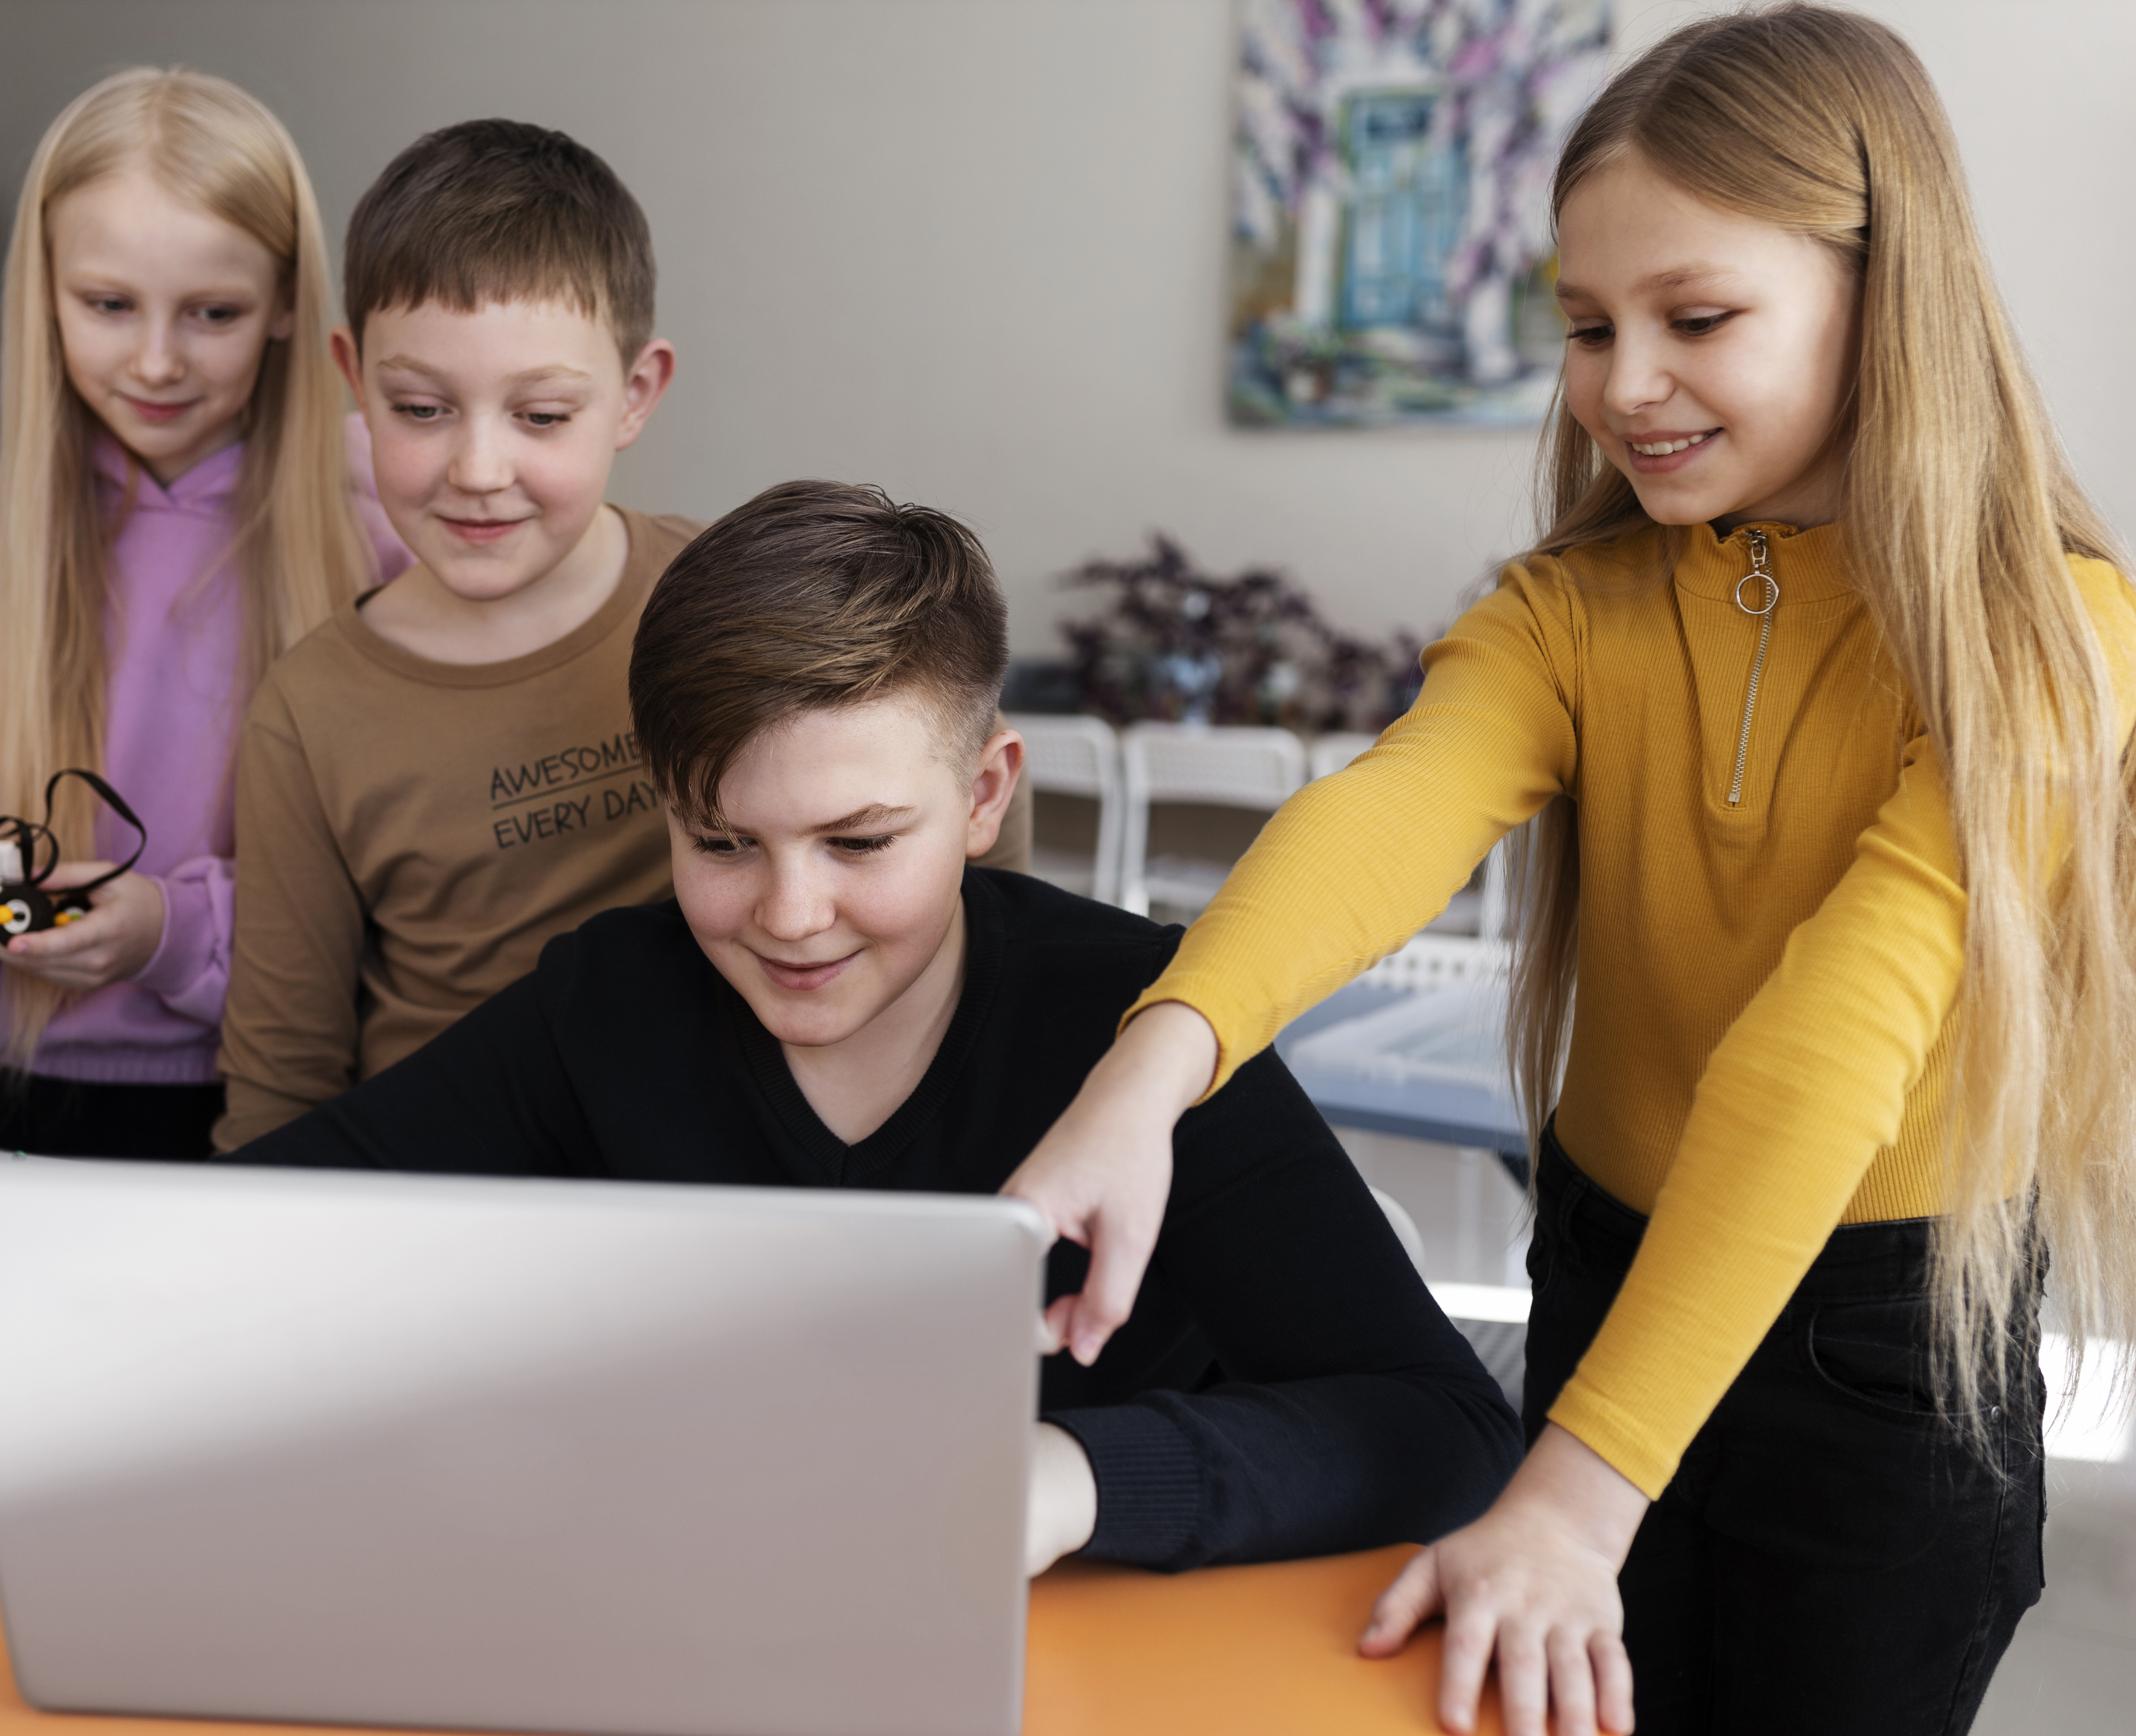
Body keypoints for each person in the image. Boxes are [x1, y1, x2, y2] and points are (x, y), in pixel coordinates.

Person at [1007, 8, 2136, 1734]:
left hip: (1885, 1343)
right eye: (1589, 326)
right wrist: (1149, 1072)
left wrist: (1579, 1486)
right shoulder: (1570, 609)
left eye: (1697, 318)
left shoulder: (2048, 637)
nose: (1622, 381)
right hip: (1605, 1256)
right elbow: (1384, 815)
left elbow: (1837, 1035)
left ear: (1882, 291)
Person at [231, 479, 1519, 1570]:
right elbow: (253, 1237)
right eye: (720, 841)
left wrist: (1059, 1477)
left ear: (981, 794)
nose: (789, 915)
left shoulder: (1138, 1021)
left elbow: (1441, 1423)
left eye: (858, 841)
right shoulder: (606, 1002)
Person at [214, 122, 1029, 1151]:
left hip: (737, 1175)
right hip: (451, 1199)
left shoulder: (735, 602)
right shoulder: (310, 712)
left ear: (636, 395)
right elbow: (282, 1081)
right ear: (355, 379)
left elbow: (960, 792)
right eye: (420, 408)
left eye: (543, 415)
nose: (477, 467)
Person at [0, 69, 409, 1158]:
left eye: (213, 313)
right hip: (45, 1115)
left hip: (310, 1096)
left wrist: (171, 935)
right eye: (109, 305)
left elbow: (411, 874)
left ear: (285, 304)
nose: (159, 360)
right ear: (46, 292)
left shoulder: (382, 535)